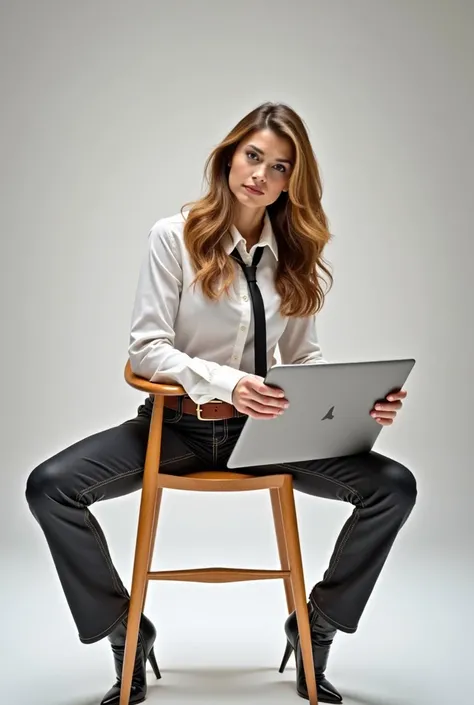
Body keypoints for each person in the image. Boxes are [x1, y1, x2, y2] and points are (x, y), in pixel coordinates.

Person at [25, 101, 417, 705]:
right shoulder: (173, 238)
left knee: (394, 486)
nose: (260, 174)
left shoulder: (292, 255)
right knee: (50, 486)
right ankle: (125, 634)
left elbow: (303, 360)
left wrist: (359, 406)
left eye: (279, 167)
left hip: (267, 437)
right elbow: (147, 348)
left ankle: (317, 626)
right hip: (177, 427)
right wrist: (227, 382)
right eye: (252, 156)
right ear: (230, 156)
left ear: (294, 181)